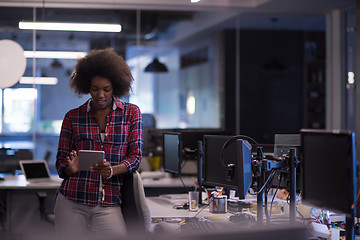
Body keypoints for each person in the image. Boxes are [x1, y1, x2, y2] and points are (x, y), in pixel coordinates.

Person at [54, 48, 143, 239]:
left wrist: (112, 170)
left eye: (106, 89)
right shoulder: (73, 117)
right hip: (72, 200)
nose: (100, 94)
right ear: (87, 86)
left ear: (116, 87)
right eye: (95, 89)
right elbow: (61, 163)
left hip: (109, 202)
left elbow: (136, 158)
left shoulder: (131, 113)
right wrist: (71, 168)